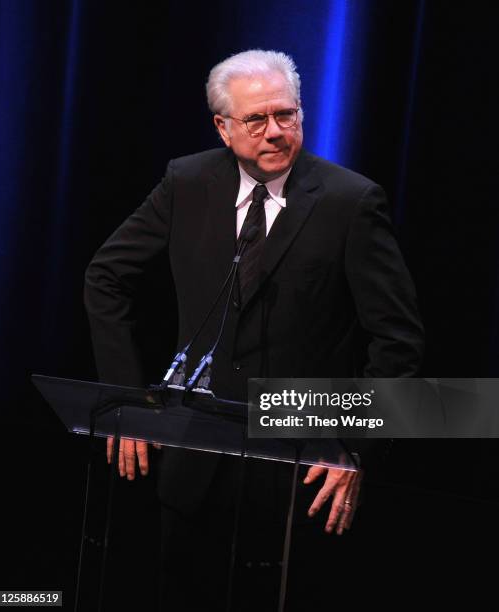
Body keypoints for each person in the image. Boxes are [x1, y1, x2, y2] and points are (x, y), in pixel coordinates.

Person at [84, 49, 424, 610]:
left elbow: (397, 338)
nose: (274, 132)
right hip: (192, 461)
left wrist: (353, 447)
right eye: (255, 120)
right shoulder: (187, 181)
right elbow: (106, 277)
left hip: (299, 468)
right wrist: (127, 402)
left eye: (286, 115)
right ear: (222, 126)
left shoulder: (350, 202)